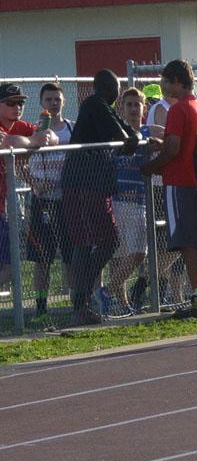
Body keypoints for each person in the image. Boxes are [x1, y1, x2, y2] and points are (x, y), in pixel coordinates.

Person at [61, 70, 142, 325]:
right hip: (83, 186)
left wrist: (131, 139)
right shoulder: (95, 104)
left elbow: (134, 135)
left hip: (98, 187)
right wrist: (129, 140)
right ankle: (81, 303)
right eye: (116, 88)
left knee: (107, 240)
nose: (118, 93)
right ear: (108, 88)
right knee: (87, 242)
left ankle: (84, 297)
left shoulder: (107, 108)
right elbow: (124, 139)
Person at [141, 59, 197, 319]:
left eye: (166, 81)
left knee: (188, 244)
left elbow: (173, 147)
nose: (163, 86)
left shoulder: (179, 109)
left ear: (177, 81)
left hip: (180, 181)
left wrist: (152, 166)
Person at [21, 83, 74, 323]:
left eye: (57, 100)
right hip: (41, 201)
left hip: (66, 201)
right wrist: (34, 182)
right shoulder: (34, 131)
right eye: (49, 99)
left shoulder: (71, 129)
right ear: (41, 103)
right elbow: (18, 163)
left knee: (70, 256)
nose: (54, 103)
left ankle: (76, 301)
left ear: (63, 102)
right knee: (42, 259)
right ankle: (41, 306)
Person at [0, 84, 58, 295]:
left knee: (11, 266)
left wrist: (40, 139)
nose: (17, 107)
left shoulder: (19, 125)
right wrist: (34, 142)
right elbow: (8, 143)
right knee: (10, 268)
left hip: (3, 207)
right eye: (10, 103)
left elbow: (52, 136)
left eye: (20, 103)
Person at [103, 87, 152, 316]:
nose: (133, 109)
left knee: (139, 253)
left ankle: (106, 291)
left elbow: (160, 134)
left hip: (140, 200)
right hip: (119, 200)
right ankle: (122, 305)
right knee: (120, 256)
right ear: (121, 108)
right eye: (129, 104)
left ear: (143, 108)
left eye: (137, 104)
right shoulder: (116, 133)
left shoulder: (145, 132)